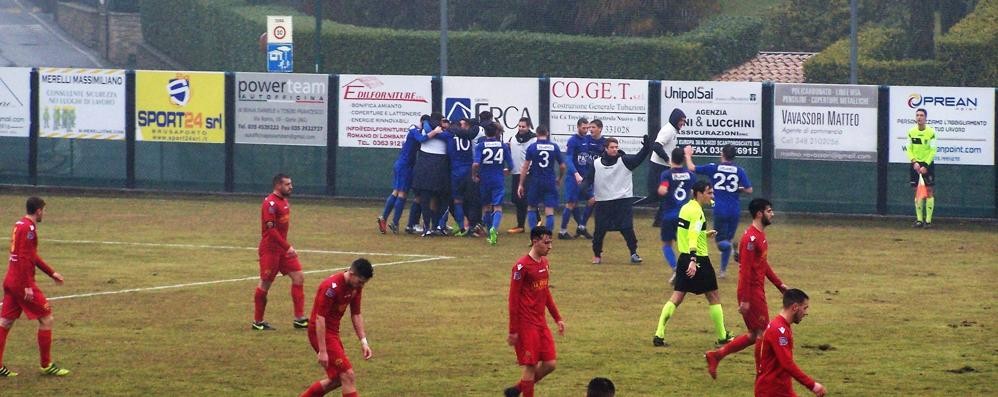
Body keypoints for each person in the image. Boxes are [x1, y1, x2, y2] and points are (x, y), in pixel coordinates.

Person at [705, 198, 789, 379]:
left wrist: (779, 285)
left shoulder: (760, 236)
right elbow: (745, 271)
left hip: (757, 291)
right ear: (759, 213)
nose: (772, 214)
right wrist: (745, 299)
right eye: (769, 211)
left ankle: (716, 355)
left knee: (753, 334)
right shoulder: (750, 238)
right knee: (763, 333)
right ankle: (762, 375)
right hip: (751, 292)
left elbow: (762, 265)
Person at [652, 181, 733, 347]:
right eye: (709, 193)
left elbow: (689, 232)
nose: (711, 196)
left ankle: (659, 334)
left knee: (677, 297)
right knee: (713, 297)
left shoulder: (686, 208)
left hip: (683, 257)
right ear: (699, 193)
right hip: (698, 259)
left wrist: (705, 234)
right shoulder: (697, 211)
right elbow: (693, 235)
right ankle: (722, 336)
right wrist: (694, 260)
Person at [0, 197, 70, 377]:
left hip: (11, 280)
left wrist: (51, 272)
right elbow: (24, 258)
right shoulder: (29, 228)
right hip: (21, 283)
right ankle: (46, 365)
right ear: (38, 210)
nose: (44, 214)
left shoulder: (20, 224)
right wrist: (27, 287)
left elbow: (30, 256)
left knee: (5, 322)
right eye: (44, 210)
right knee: (47, 319)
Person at [299, 258, 374, 397]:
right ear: (351, 273)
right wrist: (322, 351)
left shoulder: (355, 287)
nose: (361, 286)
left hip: (332, 333)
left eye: (364, 283)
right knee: (348, 375)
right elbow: (319, 318)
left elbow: (356, 314)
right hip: (320, 333)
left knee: (338, 379)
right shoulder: (331, 287)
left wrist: (364, 342)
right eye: (360, 282)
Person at [504, 226, 565, 397]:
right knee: (530, 366)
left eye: (551, 242)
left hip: (540, 323)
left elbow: (545, 292)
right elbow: (513, 300)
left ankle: (517, 389)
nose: (550, 246)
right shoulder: (521, 267)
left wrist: (557, 318)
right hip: (526, 324)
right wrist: (513, 330)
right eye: (546, 243)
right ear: (535, 241)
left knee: (550, 364)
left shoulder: (544, 264)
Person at [578, 136, 652, 265]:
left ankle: (634, 253)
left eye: (616, 147)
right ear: (605, 149)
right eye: (612, 147)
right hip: (603, 202)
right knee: (599, 231)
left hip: (622, 201)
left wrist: (646, 148)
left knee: (627, 228)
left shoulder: (624, 161)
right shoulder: (596, 164)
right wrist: (588, 195)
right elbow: (586, 181)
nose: (615, 149)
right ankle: (597, 255)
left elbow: (638, 159)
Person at [687, 144, 752, 278]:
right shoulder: (739, 170)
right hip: (734, 209)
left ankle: (728, 252)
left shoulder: (714, 168)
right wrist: (736, 189)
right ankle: (723, 270)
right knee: (727, 238)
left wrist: (688, 155)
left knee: (720, 241)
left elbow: (692, 168)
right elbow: (749, 189)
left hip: (720, 209)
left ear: (722, 154)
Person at [253, 174, 307, 331]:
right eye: (287, 184)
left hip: (282, 251)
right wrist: (287, 246)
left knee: (298, 277)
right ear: (278, 185)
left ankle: (299, 319)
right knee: (265, 283)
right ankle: (258, 322)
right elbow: (271, 230)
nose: (291, 187)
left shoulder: (284, 201)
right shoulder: (269, 203)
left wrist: (285, 248)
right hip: (270, 251)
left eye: (291, 184)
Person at [754, 289, 826, 397]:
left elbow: (758, 352)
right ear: (795, 307)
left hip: (780, 389)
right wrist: (812, 385)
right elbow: (787, 364)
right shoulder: (778, 330)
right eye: (805, 308)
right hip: (772, 392)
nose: (806, 313)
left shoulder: (780, 326)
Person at [378, 115, 426, 234]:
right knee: (402, 194)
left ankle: (384, 217)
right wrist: (434, 132)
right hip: (405, 166)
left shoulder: (412, 130)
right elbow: (421, 139)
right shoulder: (415, 130)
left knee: (396, 192)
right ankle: (394, 222)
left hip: (401, 163)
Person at [658, 146, 696, 284]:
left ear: (671, 158)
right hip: (685, 214)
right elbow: (693, 193)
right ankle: (689, 270)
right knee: (685, 246)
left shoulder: (667, 174)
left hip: (669, 214)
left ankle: (675, 268)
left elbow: (662, 190)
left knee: (667, 244)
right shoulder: (691, 175)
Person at [518, 125, 565, 232]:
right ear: (547, 133)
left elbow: (525, 166)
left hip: (536, 180)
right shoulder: (554, 147)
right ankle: (547, 236)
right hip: (549, 180)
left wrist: (521, 184)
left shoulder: (533, 147)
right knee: (549, 209)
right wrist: (559, 178)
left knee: (531, 207)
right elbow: (562, 166)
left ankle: (534, 235)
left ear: (537, 134)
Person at [411, 113, 452, 236]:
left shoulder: (426, 129)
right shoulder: (440, 132)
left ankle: (427, 227)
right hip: (438, 166)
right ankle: (435, 225)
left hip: (424, 166)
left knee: (426, 198)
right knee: (436, 198)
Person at [473, 122, 513, 245]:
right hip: (498, 178)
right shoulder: (503, 146)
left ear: (485, 133)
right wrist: (507, 170)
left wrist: (474, 174)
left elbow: (476, 164)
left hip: (485, 179)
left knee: (486, 206)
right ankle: (493, 230)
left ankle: (489, 230)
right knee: (497, 207)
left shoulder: (480, 145)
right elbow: (511, 165)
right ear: (496, 133)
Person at [647, 109, 685, 227]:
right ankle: (659, 220)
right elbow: (657, 146)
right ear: (676, 119)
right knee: (660, 194)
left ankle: (659, 220)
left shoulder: (673, 131)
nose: (683, 124)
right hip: (659, 167)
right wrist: (668, 160)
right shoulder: (668, 130)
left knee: (667, 194)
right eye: (681, 121)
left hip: (665, 166)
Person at [559, 118, 592, 240]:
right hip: (573, 178)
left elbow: (586, 158)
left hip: (585, 177)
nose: (586, 130)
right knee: (571, 203)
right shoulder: (572, 141)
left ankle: (582, 226)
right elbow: (568, 158)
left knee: (592, 199)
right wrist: (576, 173)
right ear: (578, 127)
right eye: (583, 128)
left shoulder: (586, 140)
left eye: (587, 128)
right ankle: (562, 231)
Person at [907, 107, 937, 228]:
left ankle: (928, 221)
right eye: (917, 115)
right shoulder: (911, 132)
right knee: (917, 192)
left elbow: (933, 150)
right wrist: (914, 162)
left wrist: (925, 165)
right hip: (915, 166)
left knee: (929, 191)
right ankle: (919, 220)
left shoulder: (931, 133)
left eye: (921, 115)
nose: (919, 117)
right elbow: (909, 149)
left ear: (925, 118)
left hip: (927, 166)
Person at [507, 117, 537, 234]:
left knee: (530, 199)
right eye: (519, 126)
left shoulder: (534, 139)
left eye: (523, 126)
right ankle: (520, 226)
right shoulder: (513, 139)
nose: (520, 128)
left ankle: (537, 223)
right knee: (518, 200)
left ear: (529, 126)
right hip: (516, 173)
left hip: (529, 173)